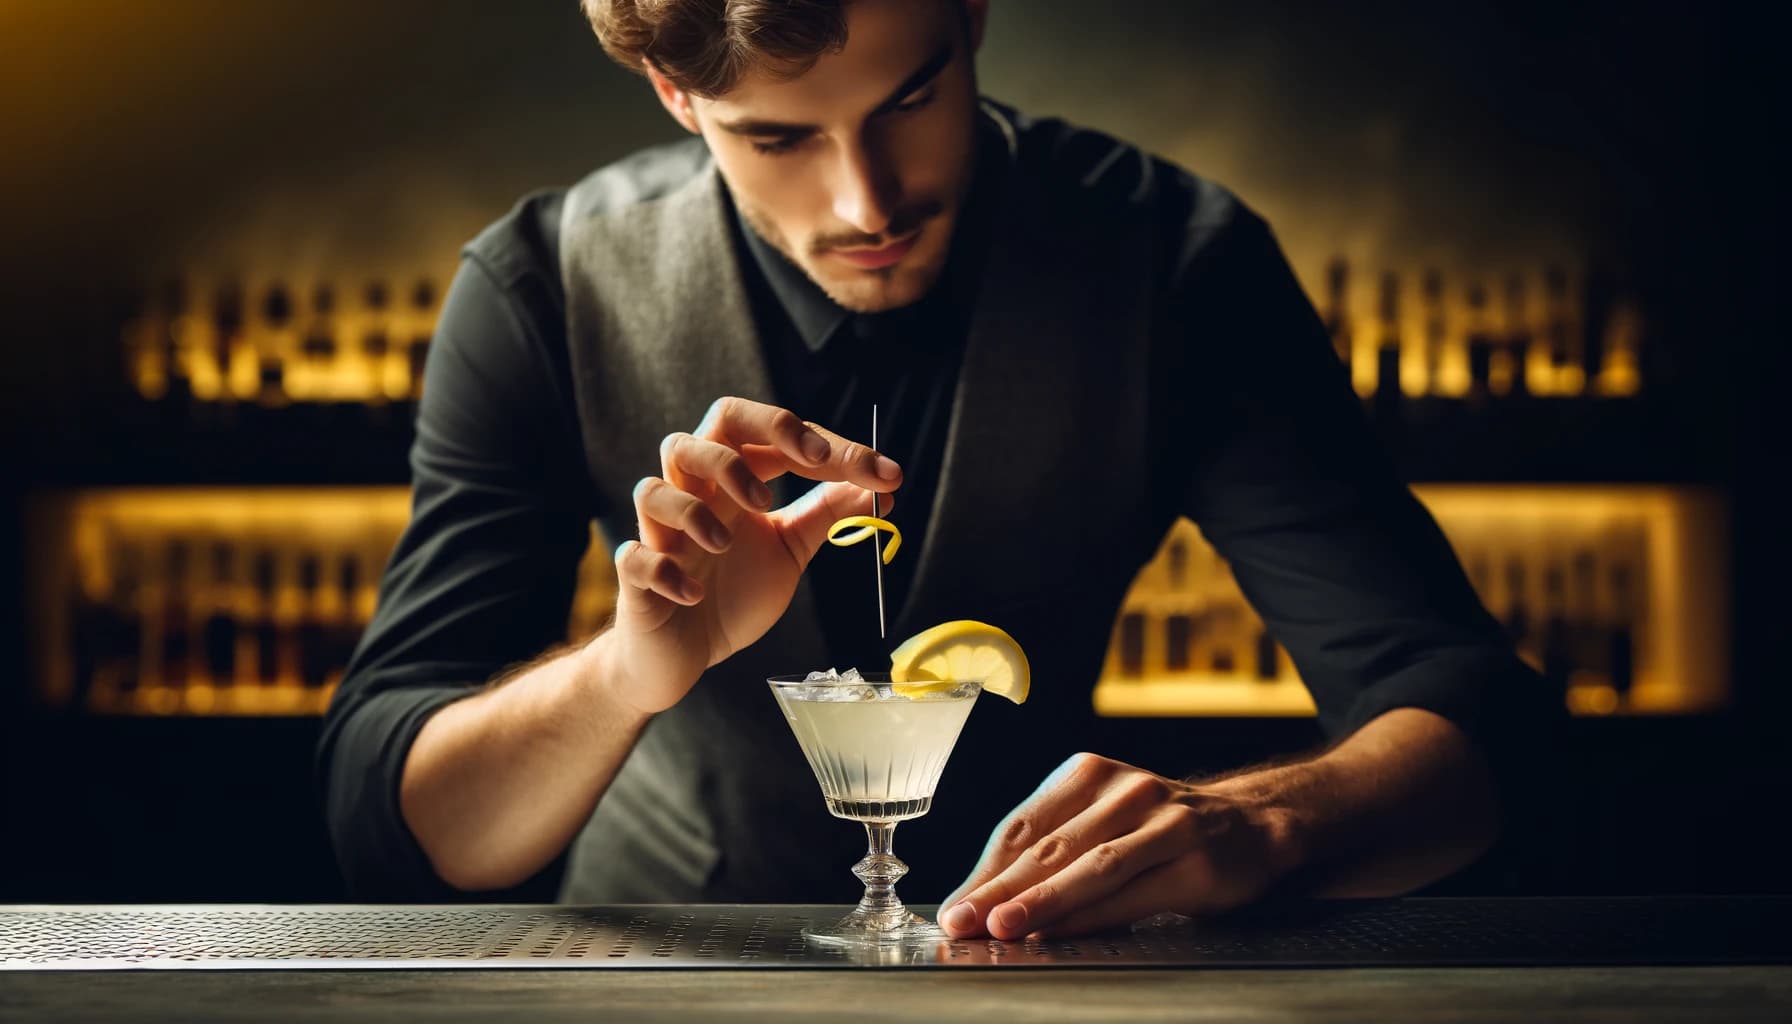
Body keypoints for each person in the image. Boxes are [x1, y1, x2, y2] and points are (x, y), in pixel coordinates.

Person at [317, 0, 1565, 941]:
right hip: (666, 974)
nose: (867, 200)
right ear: (674, 94)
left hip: (1049, 972)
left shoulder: (1175, 262)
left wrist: (1267, 819)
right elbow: (401, 833)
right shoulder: (542, 285)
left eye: (911, 98)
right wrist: (622, 675)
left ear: (972, 15)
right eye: (778, 136)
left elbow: (1479, 725)